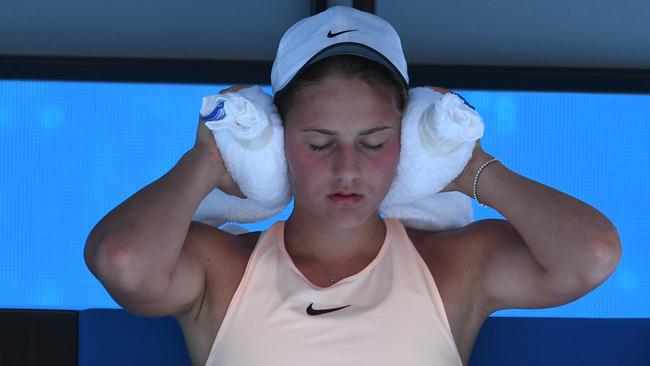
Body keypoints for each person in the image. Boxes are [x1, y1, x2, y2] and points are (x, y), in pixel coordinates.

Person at [84, 6, 622, 366]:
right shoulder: (221, 270)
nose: (347, 169)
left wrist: (471, 168)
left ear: (408, 146)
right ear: (276, 145)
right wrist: (208, 158)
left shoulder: (450, 269)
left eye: (374, 142)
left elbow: (591, 254)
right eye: (319, 143)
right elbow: (124, 261)